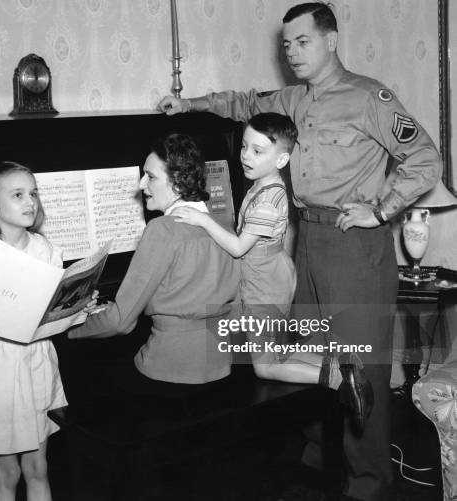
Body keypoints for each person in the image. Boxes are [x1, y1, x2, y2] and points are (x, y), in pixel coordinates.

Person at [157, 3, 441, 501]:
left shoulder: (368, 96)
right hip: (305, 241)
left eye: (302, 41)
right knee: (310, 354)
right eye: (286, 44)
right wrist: (191, 103)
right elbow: (245, 101)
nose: (291, 52)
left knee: (359, 365)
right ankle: (321, 464)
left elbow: (424, 158)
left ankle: (369, 484)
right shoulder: (291, 99)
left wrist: (382, 210)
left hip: (355, 245)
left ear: (331, 40)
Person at [173, 112, 372, 428]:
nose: (245, 157)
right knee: (273, 350)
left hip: (263, 287)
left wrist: (202, 220)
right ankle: (342, 364)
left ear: (282, 159)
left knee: (265, 367)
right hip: (267, 279)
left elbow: (239, 247)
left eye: (257, 151)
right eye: (244, 147)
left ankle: (337, 377)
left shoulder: (269, 199)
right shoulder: (263, 186)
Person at [0, 161, 91, 501]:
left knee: (38, 467)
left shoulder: (46, 251)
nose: (31, 202)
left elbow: (52, 316)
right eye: (18, 195)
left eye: (33, 193)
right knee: (7, 472)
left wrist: (78, 305)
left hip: (36, 363)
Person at [68, 133, 240, 388]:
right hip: (222, 365)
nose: (140, 184)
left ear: (178, 183)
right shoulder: (225, 225)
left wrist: (69, 329)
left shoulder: (162, 230)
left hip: (169, 368)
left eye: (150, 176)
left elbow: (120, 322)